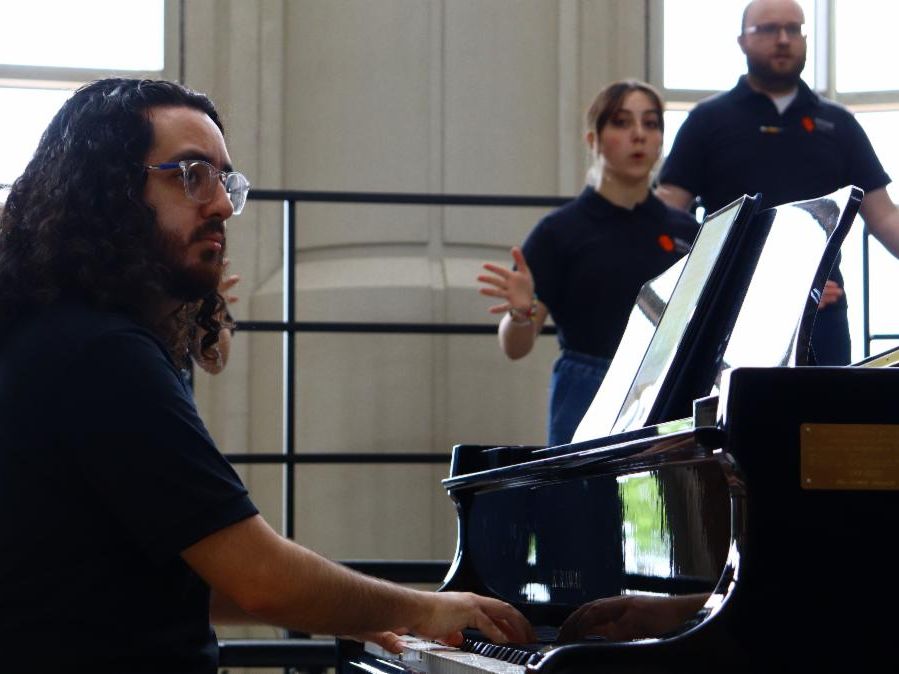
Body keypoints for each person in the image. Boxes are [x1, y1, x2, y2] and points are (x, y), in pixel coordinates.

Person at [0, 78, 533, 672]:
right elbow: (259, 578)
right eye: (191, 175)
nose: (224, 205)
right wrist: (425, 608)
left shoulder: (59, 334)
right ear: (108, 190)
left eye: (226, 181)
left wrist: (373, 611)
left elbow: (201, 573)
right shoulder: (99, 353)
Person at [657, 0, 899, 365]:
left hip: (820, 310)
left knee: (826, 420)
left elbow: (884, 218)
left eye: (794, 29)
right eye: (769, 29)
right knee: (737, 421)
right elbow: (665, 215)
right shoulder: (707, 121)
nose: (783, 39)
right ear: (741, 41)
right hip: (730, 313)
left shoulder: (839, 123)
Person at [478, 80, 698, 446]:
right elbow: (515, 346)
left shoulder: (687, 231)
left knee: (668, 502)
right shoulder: (560, 231)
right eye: (622, 122)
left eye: (651, 123)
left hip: (668, 386)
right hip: (588, 389)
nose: (639, 135)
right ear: (593, 140)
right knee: (584, 503)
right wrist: (520, 313)